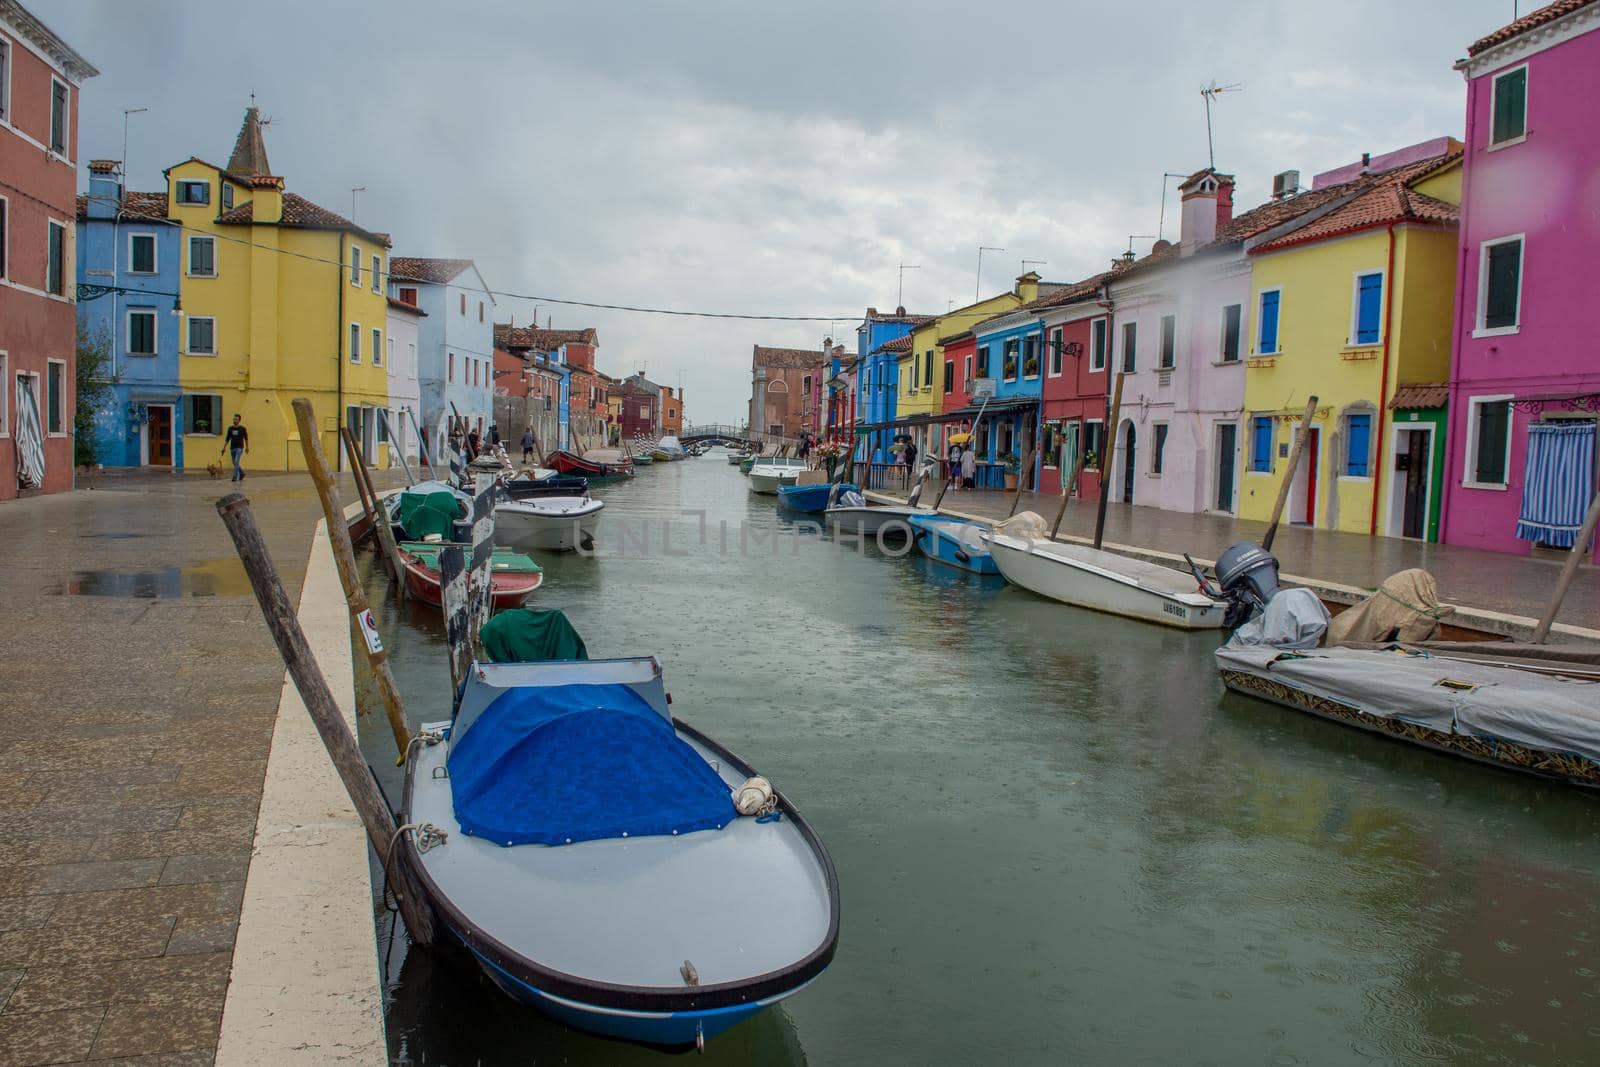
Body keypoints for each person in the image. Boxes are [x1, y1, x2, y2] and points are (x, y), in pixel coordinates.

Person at [222, 415, 248, 482]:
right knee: (234, 462)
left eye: (236, 419)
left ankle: (235, 476)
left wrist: (247, 447)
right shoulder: (230, 428)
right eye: (234, 419)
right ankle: (242, 473)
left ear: (239, 420)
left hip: (239, 447)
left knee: (236, 461)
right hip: (232, 448)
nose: (234, 421)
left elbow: (246, 438)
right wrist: (224, 448)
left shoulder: (242, 428)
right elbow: (227, 439)